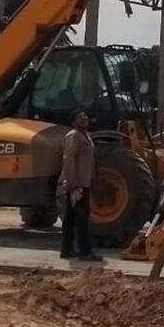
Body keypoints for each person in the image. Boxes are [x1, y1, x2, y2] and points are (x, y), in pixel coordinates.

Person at [58, 108, 101, 261]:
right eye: (79, 117)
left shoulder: (86, 137)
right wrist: (71, 182)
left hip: (84, 182)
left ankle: (67, 249)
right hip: (77, 184)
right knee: (81, 218)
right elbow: (68, 158)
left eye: (85, 115)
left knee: (71, 217)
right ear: (73, 122)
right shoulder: (74, 136)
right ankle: (85, 251)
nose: (84, 118)